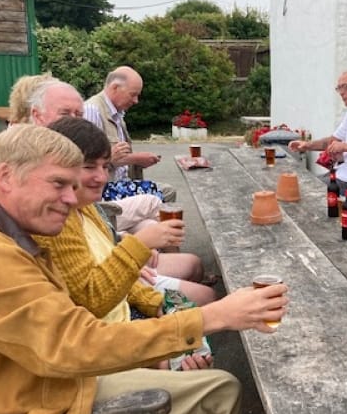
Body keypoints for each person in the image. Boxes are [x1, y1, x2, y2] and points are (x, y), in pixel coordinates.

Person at [0, 125, 287, 414]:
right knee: (217, 395)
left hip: (35, 384)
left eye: (75, 183)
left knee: (192, 385)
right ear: (6, 176)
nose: (71, 197)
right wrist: (209, 318)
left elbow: (61, 332)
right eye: (59, 183)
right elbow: (75, 343)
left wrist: (160, 339)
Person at [35, 117, 216, 319]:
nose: (102, 177)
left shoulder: (85, 207)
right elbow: (93, 300)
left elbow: (126, 285)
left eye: (105, 166)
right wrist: (139, 246)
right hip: (113, 325)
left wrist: (160, 305)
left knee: (204, 298)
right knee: (206, 306)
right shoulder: (57, 223)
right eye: (89, 167)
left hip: (124, 296)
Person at [83, 65, 176, 202]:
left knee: (163, 192)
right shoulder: (92, 111)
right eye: (133, 94)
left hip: (121, 185)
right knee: (164, 194)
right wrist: (136, 159)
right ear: (115, 88)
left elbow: (116, 157)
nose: (136, 101)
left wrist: (137, 161)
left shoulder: (117, 113)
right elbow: (85, 162)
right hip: (106, 191)